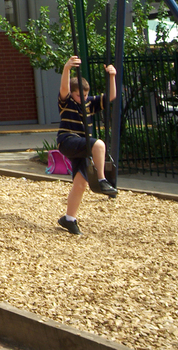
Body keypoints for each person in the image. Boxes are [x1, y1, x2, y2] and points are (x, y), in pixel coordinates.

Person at [56, 56, 118, 235]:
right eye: (78, 95)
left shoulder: (90, 103)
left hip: (81, 146)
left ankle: (69, 219)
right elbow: (63, 88)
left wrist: (112, 76)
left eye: (84, 95)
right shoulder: (66, 102)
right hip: (68, 140)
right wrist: (67, 68)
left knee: (81, 184)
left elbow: (111, 96)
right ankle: (101, 179)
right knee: (98, 144)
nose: (82, 98)